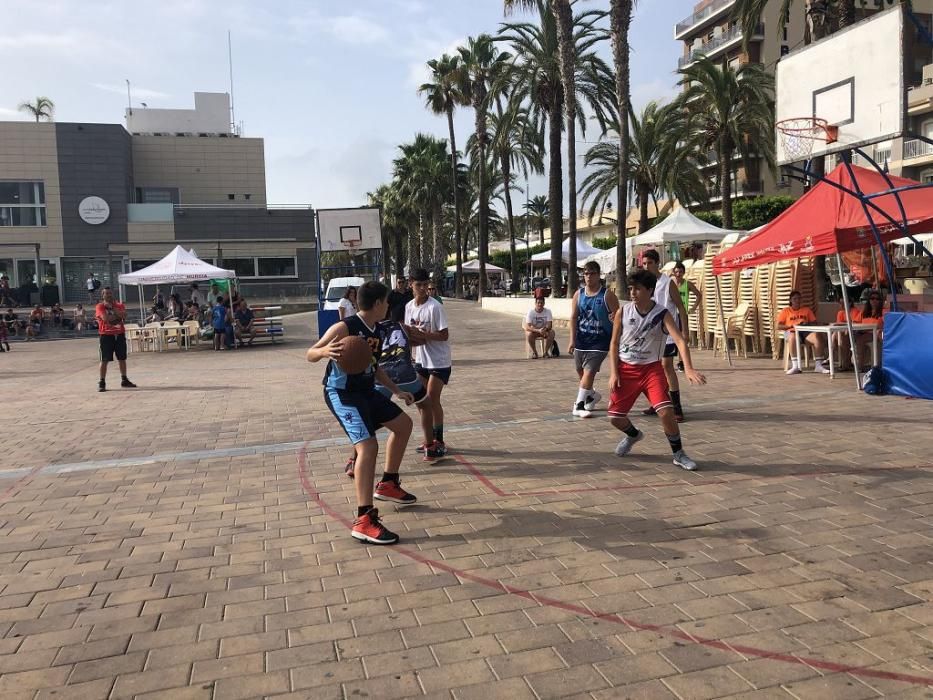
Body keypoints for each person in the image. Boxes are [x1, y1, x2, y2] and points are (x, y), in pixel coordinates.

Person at [307, 281, 416, 545]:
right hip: (342, 394)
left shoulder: (377, 329)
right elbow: (310, 353)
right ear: (378, 304)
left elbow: (374, 365)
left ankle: (388, 483)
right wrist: (323, 351)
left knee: (404, 425)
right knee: (368, 447)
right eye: (387, 302)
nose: (389, 306)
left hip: (366, 391)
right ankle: (364, 519)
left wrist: (395, 390)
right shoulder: (345, 327)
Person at [608, 270, 707, 471]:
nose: (632, 292)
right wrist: (613, 371)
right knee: (615, 418)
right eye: (630, 289)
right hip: (626, 369)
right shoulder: (623, 312)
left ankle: (678, 454)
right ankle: (634, 435)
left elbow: (679, 340)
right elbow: (614, 343)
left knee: (665, 412)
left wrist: (688, 368)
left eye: (637, 289)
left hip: (652, 369)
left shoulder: (662, 313)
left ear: (649, 290)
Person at [405, 268, 451, 456]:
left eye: (425, 284)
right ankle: (429, 439)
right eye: (418, 285)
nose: (423, 288)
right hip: (421, 359)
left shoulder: (435, 307)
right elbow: (408, 332)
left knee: (432, 400)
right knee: (421, 401)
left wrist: (425, 335)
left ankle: (438, 440)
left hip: (439, 360)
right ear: (411, 285)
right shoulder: (409, 307)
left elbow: (444, 335)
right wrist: (408, 353)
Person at [641, 250, 690, 422]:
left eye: (649, 263)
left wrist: (685, 332)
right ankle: (659, 402)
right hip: (650, 334)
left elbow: (680, 308)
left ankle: (677, 407)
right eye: (644, 263)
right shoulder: (644, 284)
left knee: (667, 365)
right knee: (654, 369)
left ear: (657, 263)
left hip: (668, 333)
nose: (646, 266)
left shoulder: (667, 283)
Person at [569, 260, 619, 418]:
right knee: (581, 372)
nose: (588, 277)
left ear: (599, 275)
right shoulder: (579, 294)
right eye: (586, 273)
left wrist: (614, 320)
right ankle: (591, 395)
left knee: (589, 372)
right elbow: (574, 317)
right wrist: (572, 340)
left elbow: (619, 317)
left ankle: (579, 405)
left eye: (592, 273)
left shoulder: (607, 295)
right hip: (582, 339)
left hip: (601, 341)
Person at [777, 290, 829, 375]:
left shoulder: (806, 310)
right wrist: (791, 326)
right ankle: (795, 366)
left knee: (817, 336)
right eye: (795, 299)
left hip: (805, 331)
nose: (797, 300)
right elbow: (778, 326)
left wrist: (806, 324)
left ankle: (818, 366)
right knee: (793, 337)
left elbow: (814, 322)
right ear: (790, 300)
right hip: (792, 331)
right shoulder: (786, 311)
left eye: (799, 298)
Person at [95, 287, 136, 392]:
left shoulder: (119, 305)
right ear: (103, 295)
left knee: (122, 358)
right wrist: (117, 316)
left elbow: (124, 316)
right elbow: (106, 319)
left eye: (110, 293)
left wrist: (113, 309)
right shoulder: (100, 306)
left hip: (119, 334)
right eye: (106, 293)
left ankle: (124, 379)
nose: (108, 295)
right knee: (104, 359)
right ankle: (102, 381)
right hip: (106, 335)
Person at [670, 262, 702, 372]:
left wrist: (693, 307)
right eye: (676, 271)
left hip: (683, 314)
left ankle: (681, 362)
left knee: (684, 338)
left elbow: (699, 295)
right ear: (673, 272)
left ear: (684, 273)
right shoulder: (671, 284)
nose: (678, 274)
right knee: (672, 338)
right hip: (672, 314)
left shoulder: (687, 284)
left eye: (680, 272)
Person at [832, 296, 863, 371]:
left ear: (850, 303)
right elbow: (838, 325)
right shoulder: (840, 312)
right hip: (843, 333)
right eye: (840, 303)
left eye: (843, 303)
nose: (841, 305)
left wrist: (843, 325)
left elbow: (854, 324)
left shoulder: (855, 311)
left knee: (841, 335)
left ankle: (840, 361)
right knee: (837, 334)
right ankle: (845, 362)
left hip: (855, 332)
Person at [858, 291, 884, 370]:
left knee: (861, 339)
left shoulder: (883, 311)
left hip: (876, 334)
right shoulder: (864, 312)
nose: (874, 300)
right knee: (845, 336)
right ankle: (847, 365)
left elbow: (884, 324)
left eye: (877, 299)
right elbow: (856, 323)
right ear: (869, 300)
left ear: (880, 301)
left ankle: (859, 366)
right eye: (872, 298)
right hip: (862, 332)